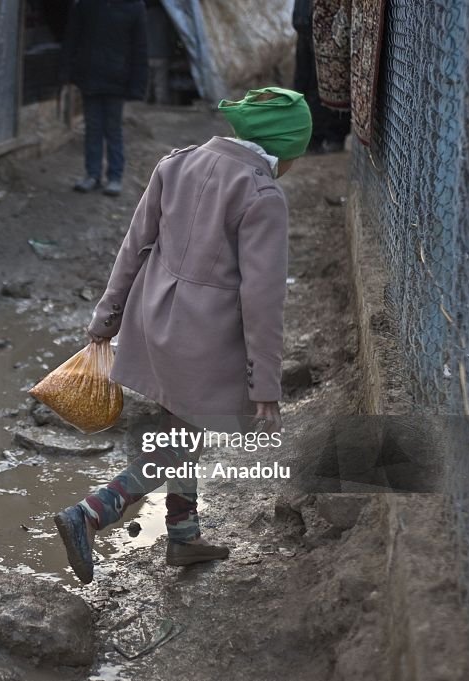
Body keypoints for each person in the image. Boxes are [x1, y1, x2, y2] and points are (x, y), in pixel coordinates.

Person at [53, 87, 312, 584]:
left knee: (180, 430)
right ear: (283, 149)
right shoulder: (262, 196)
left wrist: (107, 318)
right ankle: (90, 513)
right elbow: (262, 302)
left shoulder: (177, 163)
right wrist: (266, 387)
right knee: (178, 440)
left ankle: (184, 537)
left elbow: (134, 246)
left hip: (153, 321)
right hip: (203, 339)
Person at [60, 0, 148, 196]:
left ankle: (115, 177)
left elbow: (140, 48)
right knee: (93, 128)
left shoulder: (133, 7)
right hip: (89, 75)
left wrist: (137, 85)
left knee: (112, 128)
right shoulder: (86, 5)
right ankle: (92, 175)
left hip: (117, 78)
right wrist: (66, 71)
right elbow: (72, 38)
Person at [292, 0, 350, 152]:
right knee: (304, 83)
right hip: (305, 24)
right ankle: (311, 137)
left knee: (328, 83)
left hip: (327, 25)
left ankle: (330, 137)